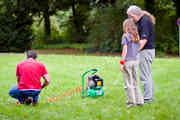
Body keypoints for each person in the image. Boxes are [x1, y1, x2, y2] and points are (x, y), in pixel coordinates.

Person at [127, 5, 155, 103]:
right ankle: (149, 97)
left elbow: (144, 40)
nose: (130, 19)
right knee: (147, 74)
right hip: (145, 51)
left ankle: (147, 98)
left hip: (146, 51)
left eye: (131, 16)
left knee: (144, 76)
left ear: (135, 14)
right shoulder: (141, 20)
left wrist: (134, 52)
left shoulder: (144, 21)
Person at [120, 18, 144, 107]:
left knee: (128, 83)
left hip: (128, 62)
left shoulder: (125, 36)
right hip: (135, 61)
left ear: (126, 27)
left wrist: (122, 62)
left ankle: (131, 103)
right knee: (135, 82)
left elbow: (125, 50)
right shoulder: (137, 36)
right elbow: (138, 48)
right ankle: (140, 101)